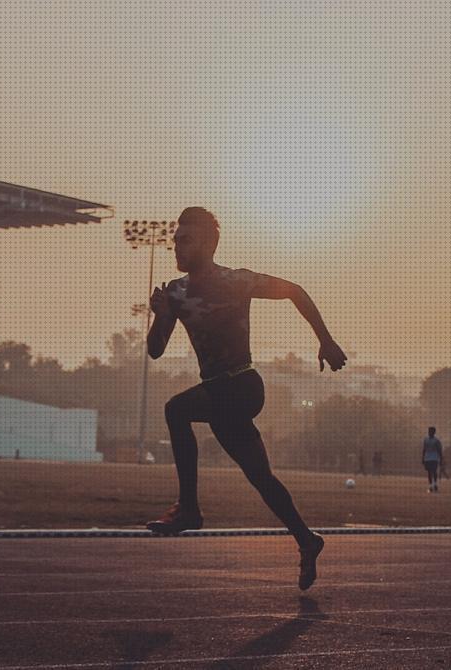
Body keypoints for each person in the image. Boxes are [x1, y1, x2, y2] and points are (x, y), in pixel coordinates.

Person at [143, 207, 348, 591]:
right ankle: (307, 540)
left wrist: (325, 338)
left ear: (208, 242)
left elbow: (294, 291)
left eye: (185, 240)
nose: (177, 247)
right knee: (261, 478)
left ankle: (189, 508)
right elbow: (155, 351)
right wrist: (161, 315)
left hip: (242, 386)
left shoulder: (236, 281)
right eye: (175, 240)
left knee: (176, 409)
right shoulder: (176, 292)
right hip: (219, 397)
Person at [422, 426, 444, 493]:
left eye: (431, 431)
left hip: (434, 458)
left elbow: (439, 450)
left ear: (434, 432)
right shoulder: (426, 439)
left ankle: (435, 484)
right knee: (429, 472)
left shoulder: (436, 441)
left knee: (434, 471)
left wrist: (441, 459)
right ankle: (431, 486)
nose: (429, 432)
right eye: (429, 431)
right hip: (427, 458)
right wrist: (423, 457)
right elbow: (424, 449)